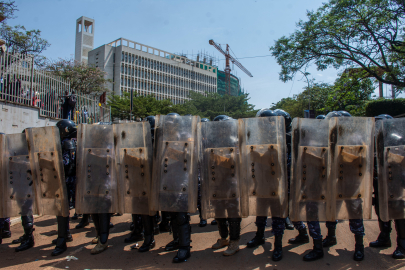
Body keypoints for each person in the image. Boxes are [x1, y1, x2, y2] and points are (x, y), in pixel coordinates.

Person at [303, 111, 365, 262]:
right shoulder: (321, 137)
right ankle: (321, 244)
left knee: (355, 213)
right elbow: (310, 156)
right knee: (315, 208)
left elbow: (361, 161)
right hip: (323, 181)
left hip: (348, 182)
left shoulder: (355, 138)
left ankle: (359, 247)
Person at [370, 114, 405, 259]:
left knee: (398, 213)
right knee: (381, 210)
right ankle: (384, 237)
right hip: (379, 181)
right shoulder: (375, 141)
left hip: (395, 181)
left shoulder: (398, 138)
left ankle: (402, 245)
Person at [208, 115, 242, 256]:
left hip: (231, 181)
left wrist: (217, 158)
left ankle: (234, 242)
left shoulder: (235, 141)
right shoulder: (213, 141)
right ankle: (223, 238)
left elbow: (236, 162)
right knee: (219, 212)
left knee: (233, 213)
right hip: (217, 181)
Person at [52, 119, 77, 256]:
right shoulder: (70, 142)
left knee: (62, 210)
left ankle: (62, 241)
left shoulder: (66, 143)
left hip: (64, 180)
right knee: (63, 209)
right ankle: (65, 234)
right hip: (68, 180)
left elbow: (65, 163)